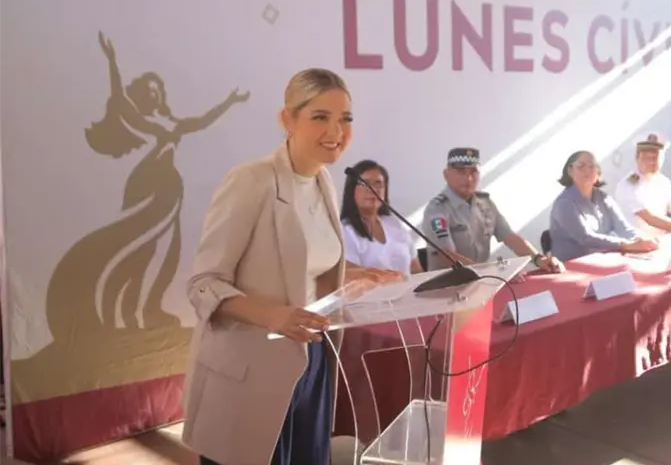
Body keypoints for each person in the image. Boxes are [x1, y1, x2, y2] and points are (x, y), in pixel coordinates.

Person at [182, 68, 396, 465]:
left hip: (311, 359)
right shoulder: (252, 181)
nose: (336, 130)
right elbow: (203, 284)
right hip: (250, 368)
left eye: (345, 118)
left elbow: (298, 262)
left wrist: (354, 273)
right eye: (320, 117)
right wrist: (271, 316)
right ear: (288, 119)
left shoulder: (325, 181)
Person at [421, 147, 564, 273]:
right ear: (446, 175)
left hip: (480, 282)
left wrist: (539, 259)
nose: (469, 178)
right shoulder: (437, 209)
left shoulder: (485, 203)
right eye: (460, 171)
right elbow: (446, 256)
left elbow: (510, 237)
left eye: (473, 171)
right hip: (447, 287)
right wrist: (490, 275)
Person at [549, 151, 657, 262]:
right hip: (571, 266)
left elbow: (624, 228)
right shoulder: (564, 203)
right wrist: (626, 244)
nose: (587, 170)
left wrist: (640, 240)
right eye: (581, 166)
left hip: (602, 260)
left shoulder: (603, 198)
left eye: (592, 166)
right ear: (570, 171)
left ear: (598, 172)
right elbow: (586, 238)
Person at [341, 159, 422, 276]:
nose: (372, 189)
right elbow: (353, 280)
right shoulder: (346, 231)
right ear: (351, 190)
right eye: (364, 184)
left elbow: (417, 272)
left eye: (378, 183)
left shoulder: (394, 224)